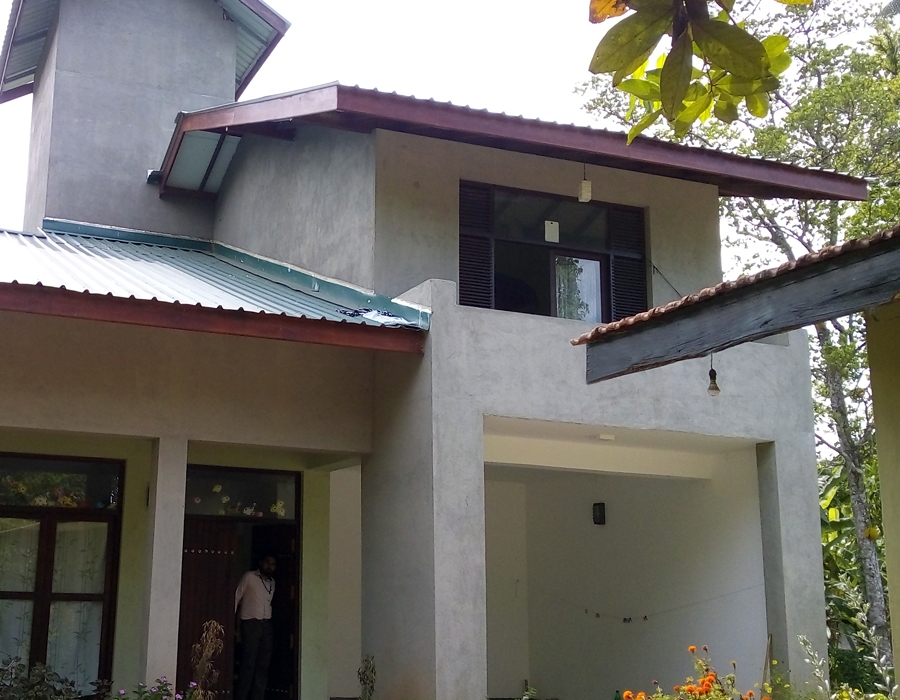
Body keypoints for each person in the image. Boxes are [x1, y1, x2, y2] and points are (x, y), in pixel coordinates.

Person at [234, 554, 277, 700]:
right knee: (248, 664)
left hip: (266, 625)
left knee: (263, 666)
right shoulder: (249, 577)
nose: (269, 566)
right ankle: (241, 697)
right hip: (250, 623)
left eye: (273, 564)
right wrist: (232, 622)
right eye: (267, 562)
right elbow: (237, 596)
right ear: (261, 562)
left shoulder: (272, 583)